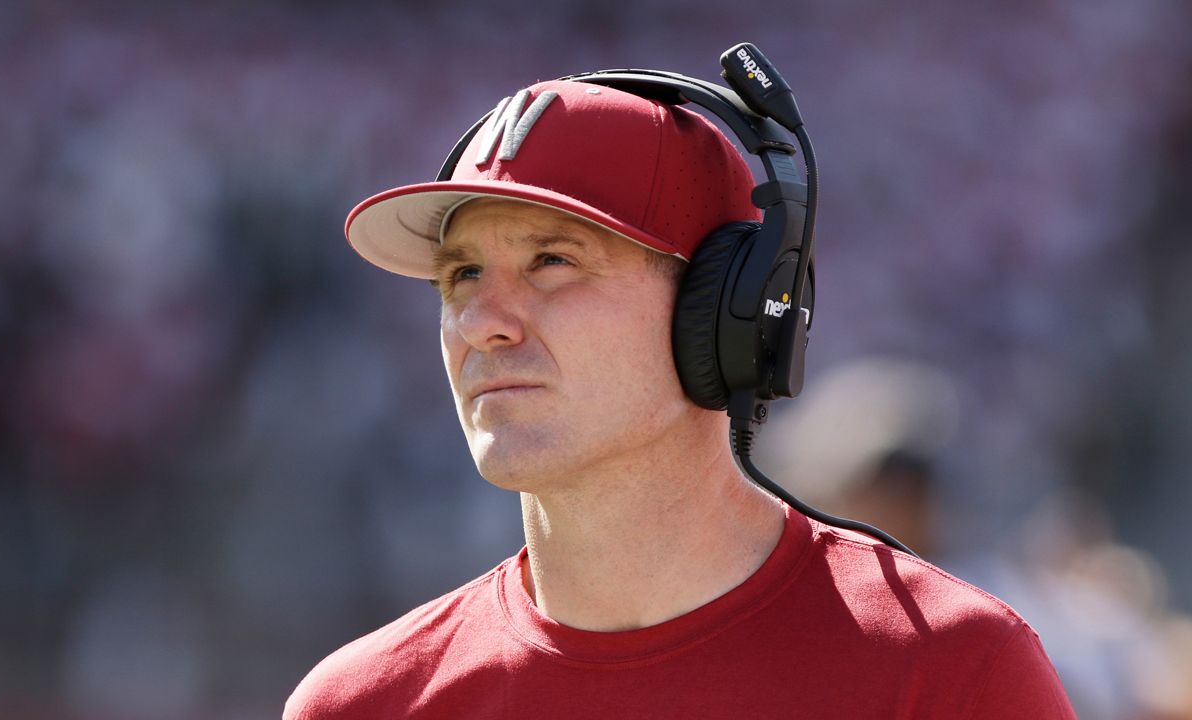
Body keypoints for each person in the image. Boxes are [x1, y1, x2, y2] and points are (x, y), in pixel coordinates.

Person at [284, 73, 1076, 718]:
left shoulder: (951, 672)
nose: (483, 323)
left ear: (727, 310)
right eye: (462, 275)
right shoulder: (361, 704)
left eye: (553, 260)